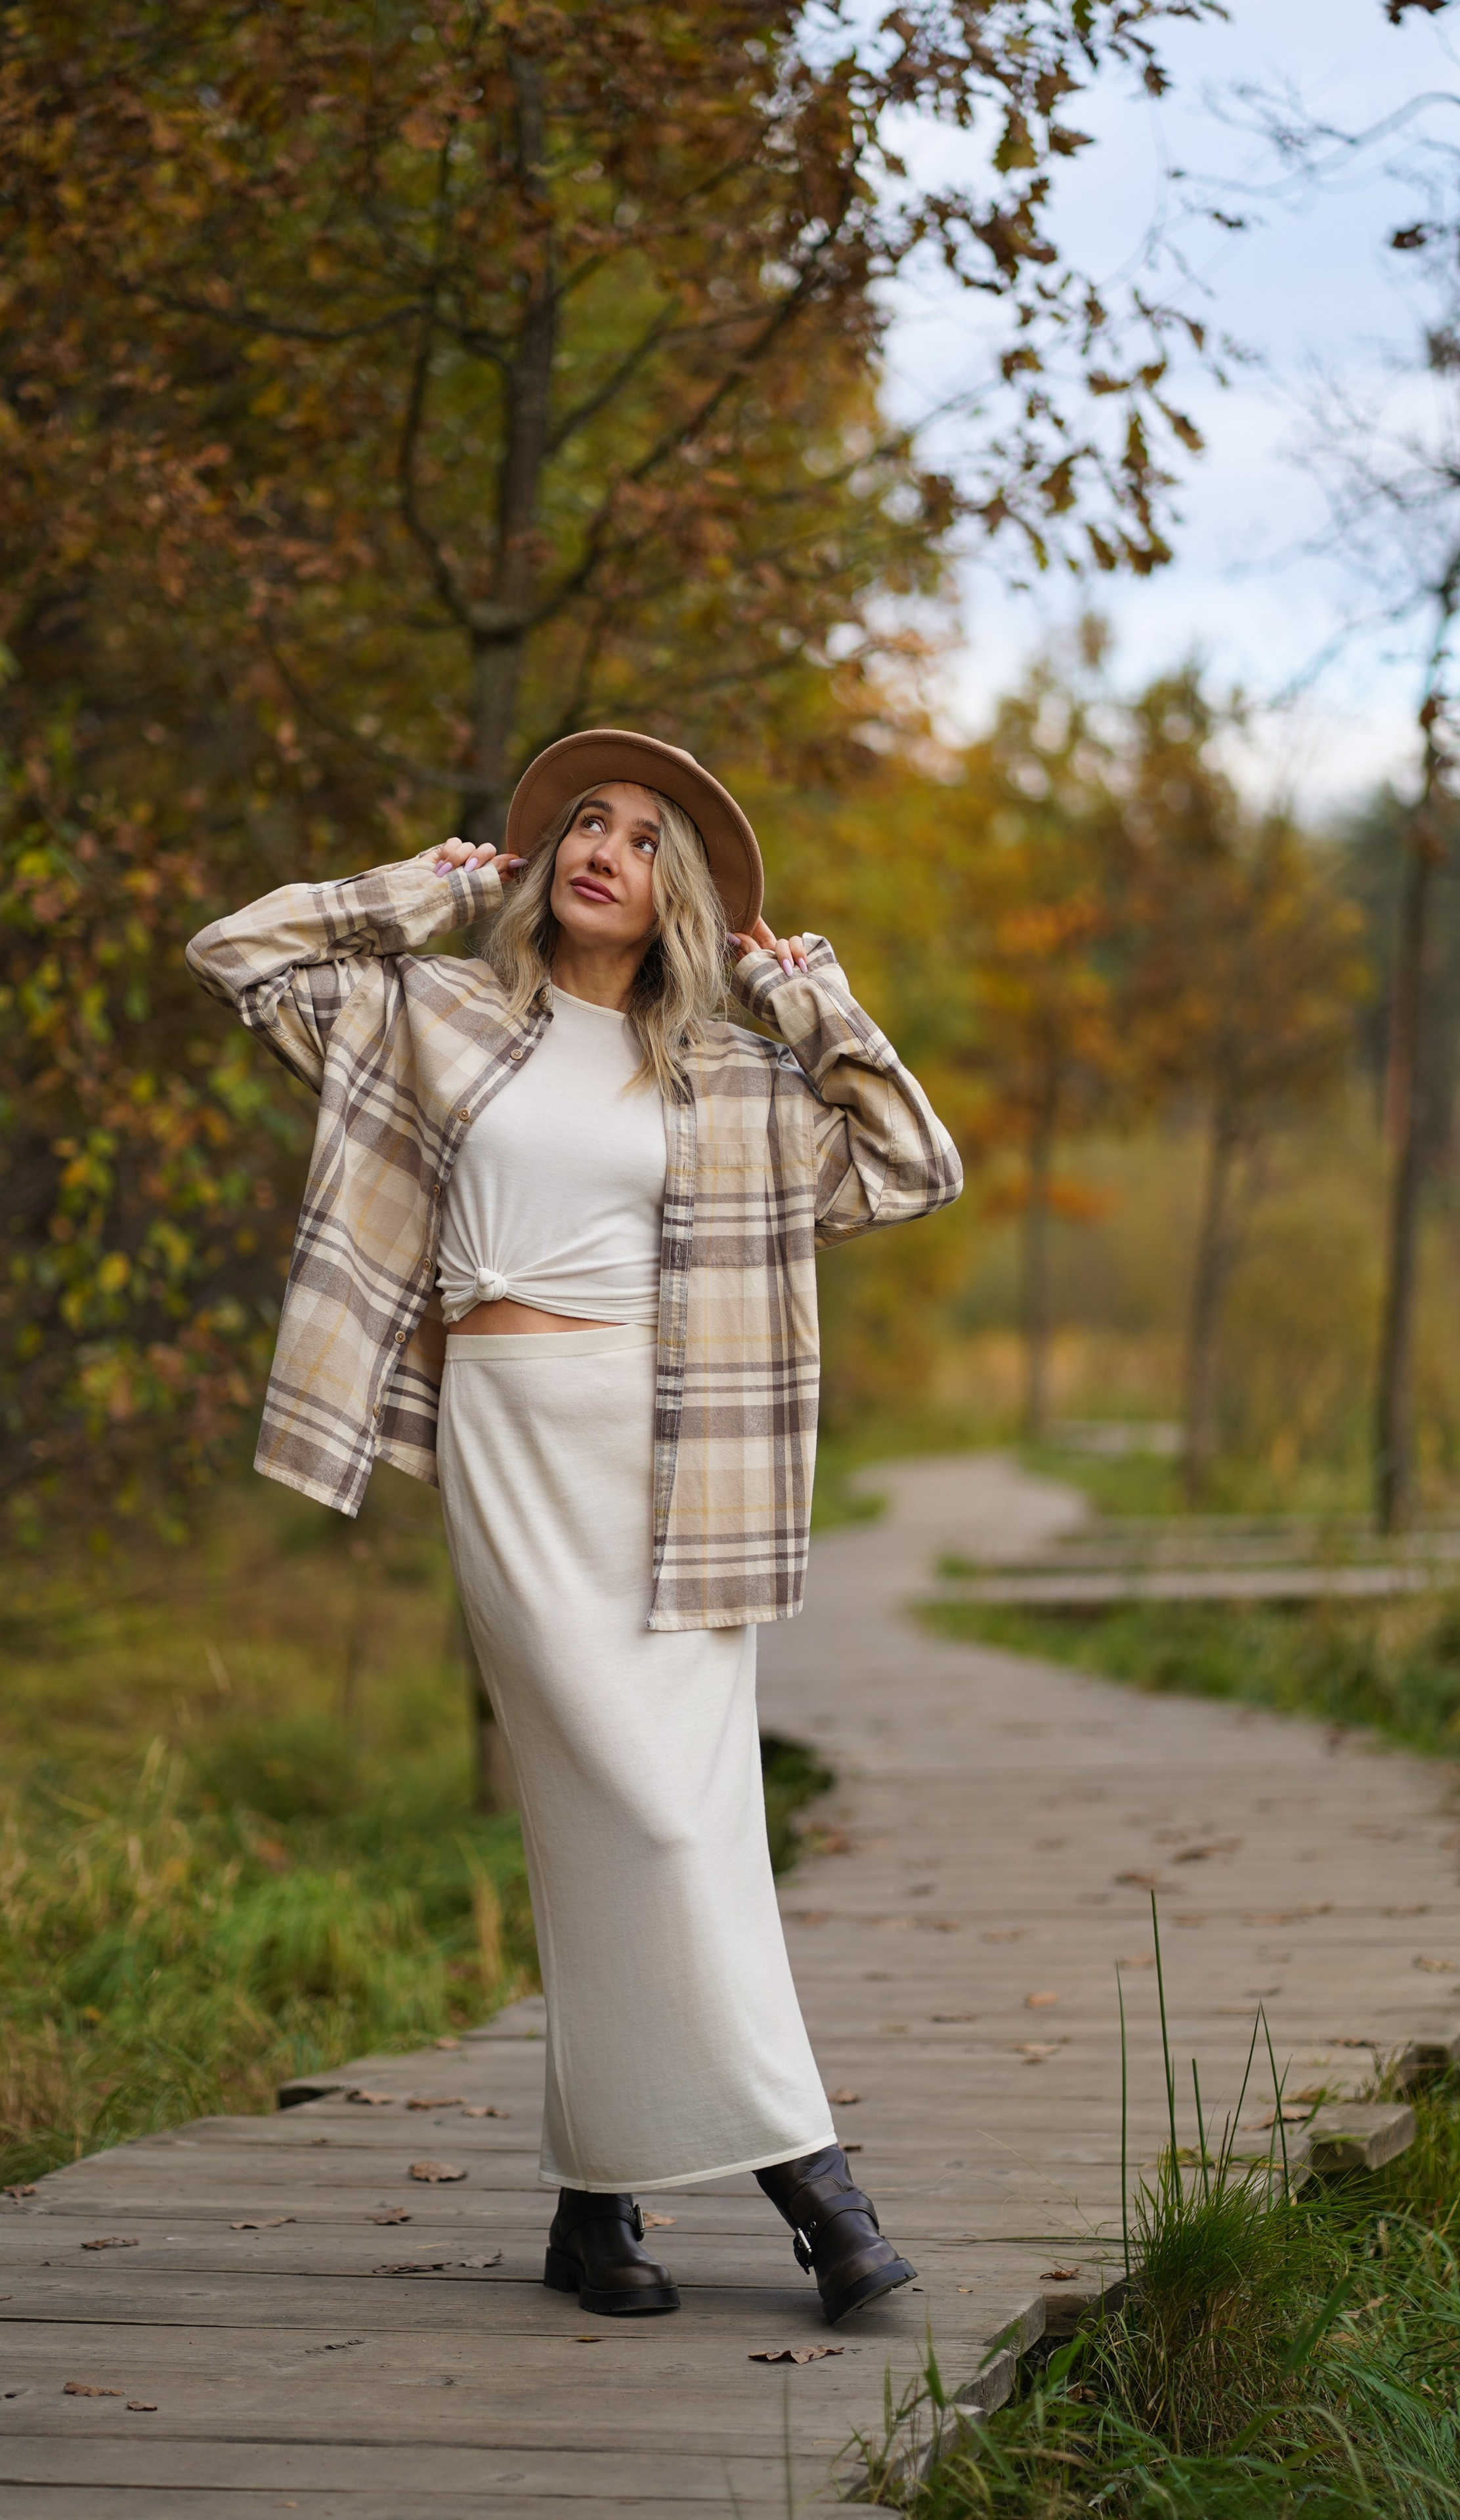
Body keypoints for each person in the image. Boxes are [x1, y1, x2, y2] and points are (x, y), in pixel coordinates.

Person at [186, 728, 962, 2324]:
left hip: (685, 1468)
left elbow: (911, 1164)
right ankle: (814, 2188)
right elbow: (236, 954)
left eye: (642, 837)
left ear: (679, 896)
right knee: (642, 1815)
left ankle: (593, 2213)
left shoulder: (729, 1078)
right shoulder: (433, 1013)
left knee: (676, 1824)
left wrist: (807, 998)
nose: (603, 849)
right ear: (543, 863)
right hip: (512, 1437)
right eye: (583, 824)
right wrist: (413, 895)